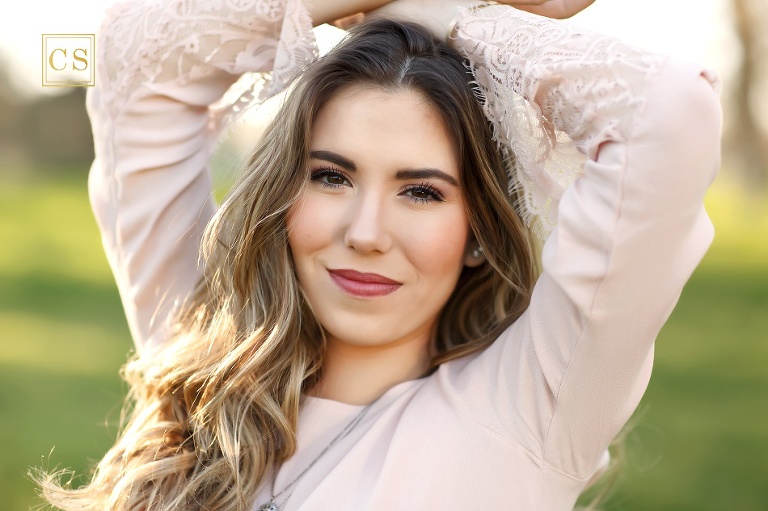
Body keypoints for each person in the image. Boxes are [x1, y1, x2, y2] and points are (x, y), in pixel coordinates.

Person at [36, 0, 722, 509]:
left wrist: (451, 18)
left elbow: (666, 113)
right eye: (332, 176)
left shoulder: (527, 413)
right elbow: (129, 58)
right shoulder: (204, 354)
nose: (366, 231)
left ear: (479, 229)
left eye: (420, 192)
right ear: (285, 194)